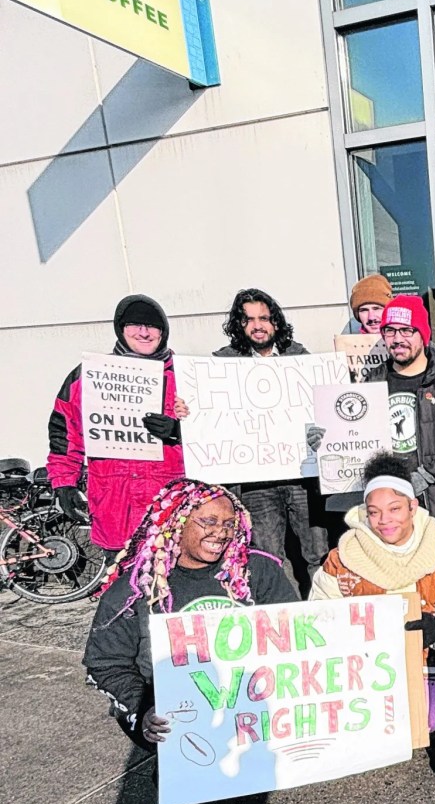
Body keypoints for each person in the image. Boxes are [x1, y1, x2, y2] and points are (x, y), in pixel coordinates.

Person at [83, 479, 298, 751]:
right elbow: (106, 663)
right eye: (208, 521)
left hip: (250, 708)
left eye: (229, 524)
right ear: (177, 522)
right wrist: (143, 708)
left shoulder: (258, 571)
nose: (221, 533)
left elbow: (293, 636)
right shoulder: (136, 588)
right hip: (173, 717)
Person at [310, 451, 435, 736]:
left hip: (428, 664)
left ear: (412, 507)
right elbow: (317, 615)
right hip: (365, 669)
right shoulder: (342, 558)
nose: (384, 520)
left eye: (395, 508)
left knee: (426, 717)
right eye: (374, 511)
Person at [201, 287, 328, 586]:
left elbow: (323, 406)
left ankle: (325, 612)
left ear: (276, 322)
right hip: (256, 480)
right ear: (239, 324)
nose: (258, 325)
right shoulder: (222, 364)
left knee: (317, 554)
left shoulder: (301, 358)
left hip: (302, 476)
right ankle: (286, 616)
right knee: (269, 557)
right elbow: (208, 412)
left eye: (264, 318)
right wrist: (189, 408)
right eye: (249, 319)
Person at [48, 295, 185, 556]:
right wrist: (64, 484)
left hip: (174, 512)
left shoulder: (186, 375)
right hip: (115, 510)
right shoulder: (88, 376)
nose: (144, 332)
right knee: (123, 592)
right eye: (134, 324)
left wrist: (179, 433)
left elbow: (216, 433)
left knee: (180, 592)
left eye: (152, 326)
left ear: (163, 331)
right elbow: (64, 434)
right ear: (121, 329)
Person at [363, 295, 435, 546]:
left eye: (407, 330)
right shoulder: (372, 382)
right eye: (390, 331)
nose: (397, 339)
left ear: (423, 334)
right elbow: (357, 433)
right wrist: (327, 437)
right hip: (390, 506)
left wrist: (427, 475)